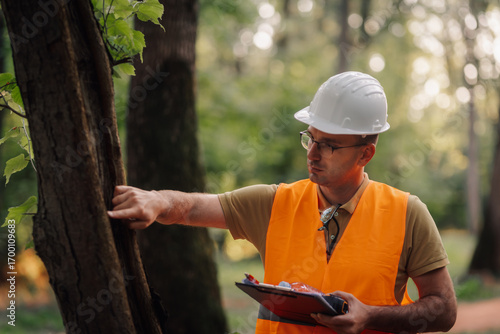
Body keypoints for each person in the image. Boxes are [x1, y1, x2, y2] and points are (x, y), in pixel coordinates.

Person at [107, 71, 457, 333]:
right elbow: (192, 207)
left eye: (329, 144)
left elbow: (444, 310)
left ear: (366, 153)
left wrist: (370, 315)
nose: (313, 153)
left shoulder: (408, 214)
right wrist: (155, 200)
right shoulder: (274, 203)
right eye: (311, 138)